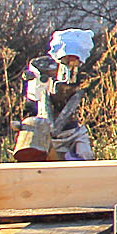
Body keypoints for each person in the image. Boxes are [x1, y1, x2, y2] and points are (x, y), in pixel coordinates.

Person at [20, 29, 94, 160]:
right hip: (44, 129)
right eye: (67, 60)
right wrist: (41, 82)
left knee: (85, 157)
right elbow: (34, 97)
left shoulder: (84, 76)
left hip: (72, 131)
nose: (71, 64)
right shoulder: (42, 68)